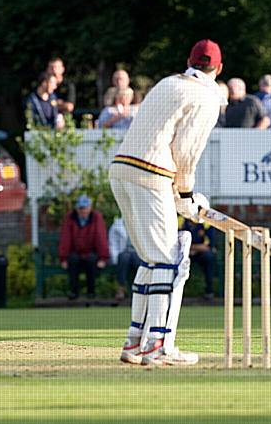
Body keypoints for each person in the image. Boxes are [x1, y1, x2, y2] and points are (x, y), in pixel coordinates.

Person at [109, 39, 226, 366]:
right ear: (218, 69)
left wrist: (181, 197)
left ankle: (135, 343)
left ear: (189, 61)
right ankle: (157, 347)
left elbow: (160, 140)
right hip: (151, 173)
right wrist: (187, 196)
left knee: (151, 260)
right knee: (168, 263)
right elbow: (185, 151)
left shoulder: (166, 83)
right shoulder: (207, 96)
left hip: (121, 170)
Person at [58, 195, 109, 300]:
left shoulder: (96, 217)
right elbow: (65, 238)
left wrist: (103, 258)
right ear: (77, 208)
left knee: (91, 261)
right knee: (72, 260)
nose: (83, 210)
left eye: (85, 207)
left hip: (91, 252)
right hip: (75, 252)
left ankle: (91, 292)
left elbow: (100, 237)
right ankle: (73, 292)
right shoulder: (70, 217)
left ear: (90, 207)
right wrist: (63, 258)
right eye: (81, 208)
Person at [181, 219, 216, 301]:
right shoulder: (180, 221)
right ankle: (177, 290)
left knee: (208, 257)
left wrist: (192, 248)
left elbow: (208, 247)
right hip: (185, 254)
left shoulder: (206, 224)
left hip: (200, 254)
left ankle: (209, 292)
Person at [108, 217, 140, 301]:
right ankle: (120, 289)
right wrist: (115, 258)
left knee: (135, 259)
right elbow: (112, 244)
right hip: (123, 254)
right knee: (124, 257)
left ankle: (140, 290)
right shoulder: (117, 225)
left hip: (139, 254)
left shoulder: (141, 222)